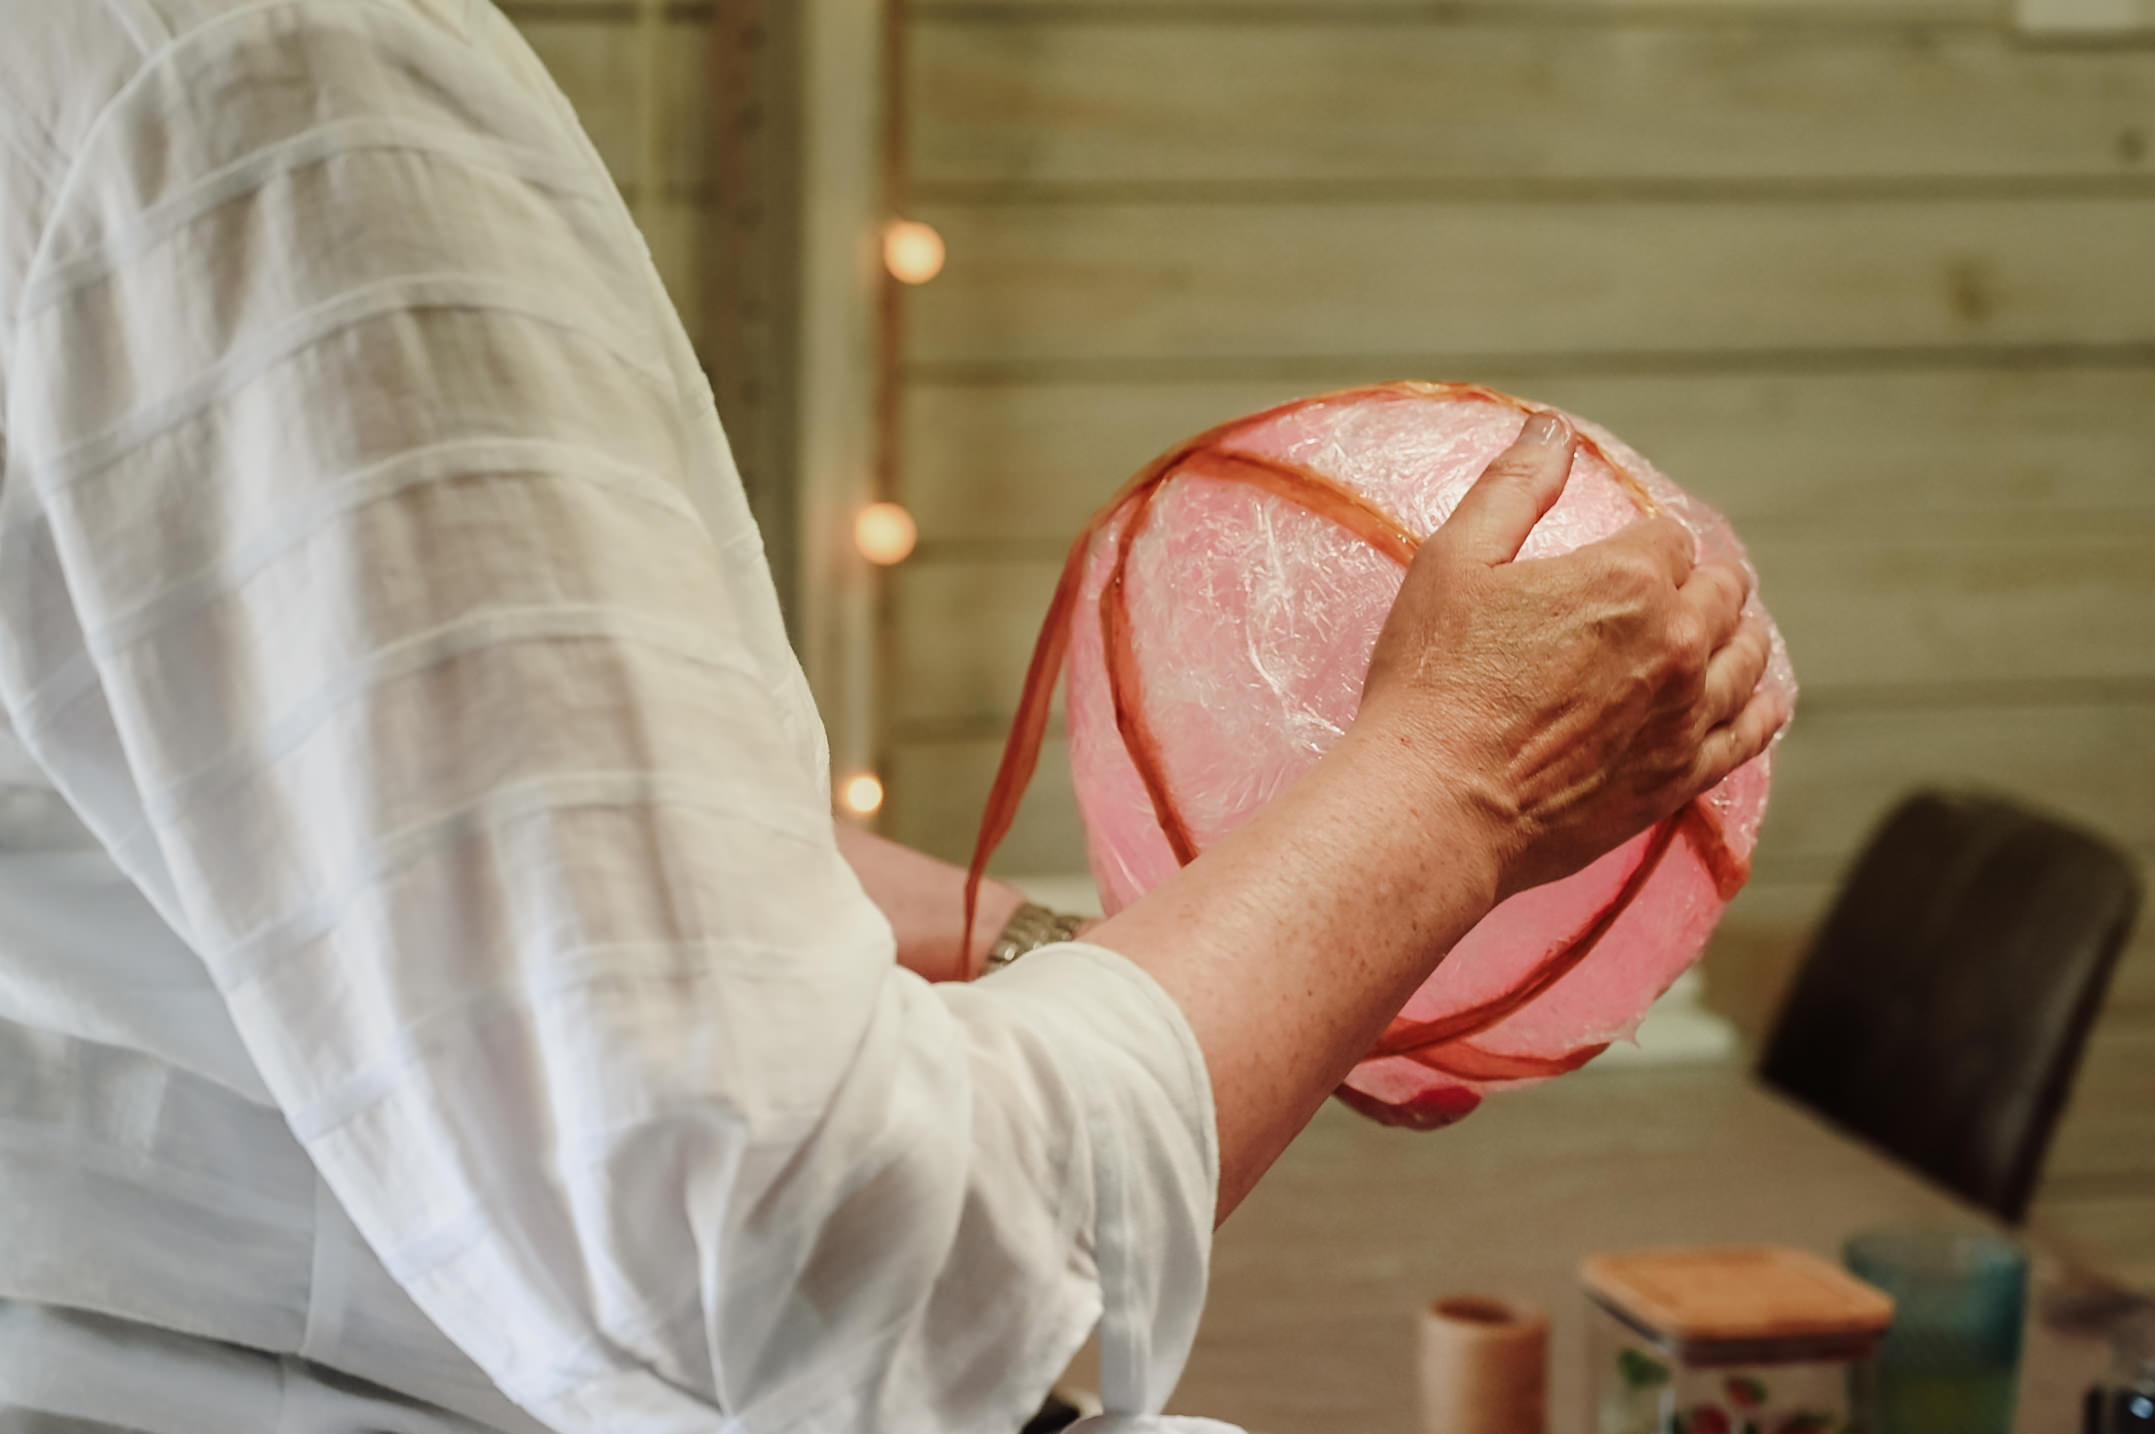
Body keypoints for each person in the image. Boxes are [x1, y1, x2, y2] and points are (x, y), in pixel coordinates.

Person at [0, 3, 1787, 1432]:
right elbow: (804, 1275)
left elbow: (494, 854)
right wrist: (1448, 789)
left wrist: (1064, 940)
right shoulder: (282, 97)